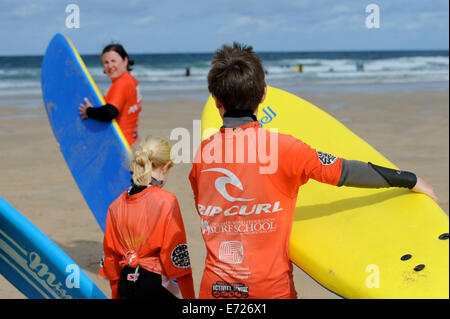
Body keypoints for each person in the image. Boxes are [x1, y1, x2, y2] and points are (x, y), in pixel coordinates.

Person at [188, 42, 437, 299]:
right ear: (263, 95)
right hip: (271, 290)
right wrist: (409, 179)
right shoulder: (284, 148)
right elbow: (347, 172)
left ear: (216, 99)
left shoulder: (201, 155)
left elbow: (208, 209)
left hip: (215, 290)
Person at [100, 136, 195, 299]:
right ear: (165, 167)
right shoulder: (166, 201)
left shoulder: (115, 206)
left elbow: (110, 258)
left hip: (126, 284)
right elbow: (178, 259)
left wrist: (116, 294)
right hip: (154, 285)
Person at [79, 43, 142, 147]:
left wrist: (88, 111)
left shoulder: (121, 83)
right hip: (133, 140)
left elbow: (110, 112)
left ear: (125, 61)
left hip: (121, 145)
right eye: (106, 62)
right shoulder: (132, 80)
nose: (110, 66)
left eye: (113, 61)